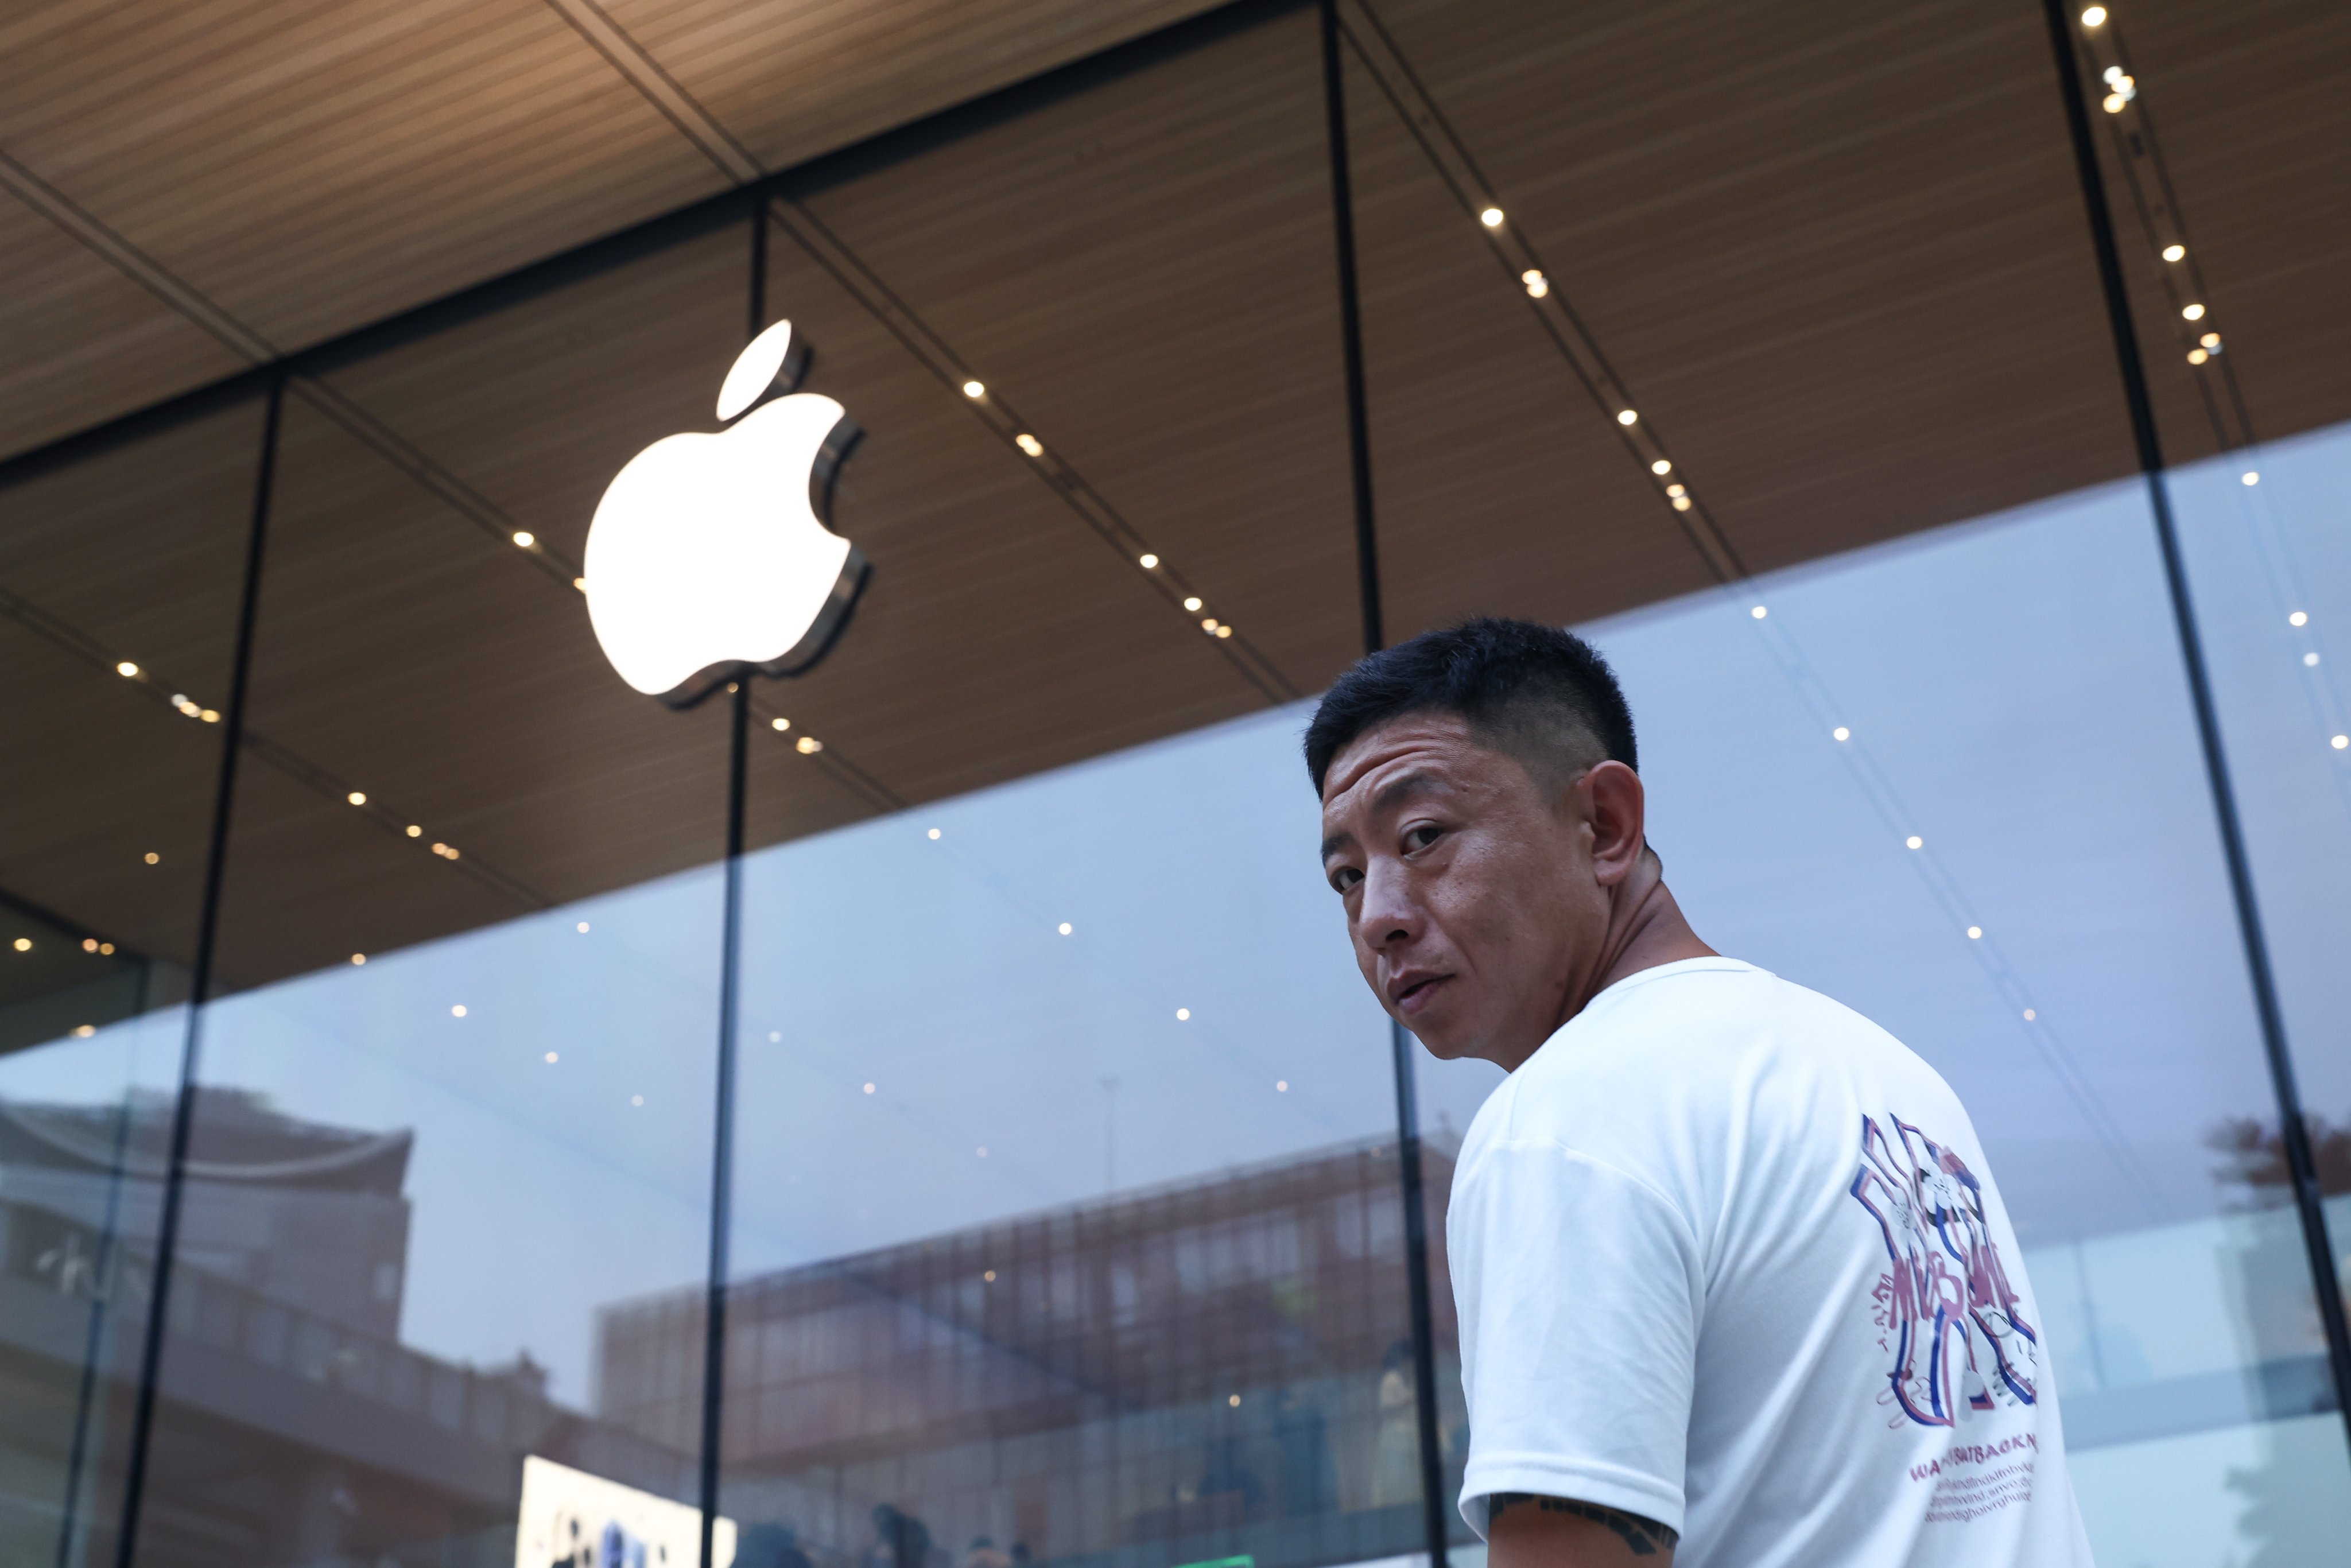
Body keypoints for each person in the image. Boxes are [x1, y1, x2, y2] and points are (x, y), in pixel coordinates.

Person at [1307, 619, 2093, 1567]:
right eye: (1348, 878)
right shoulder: (1885, 1075)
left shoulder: (1564, 1125)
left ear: (1603, 825)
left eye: (1423, 837)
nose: (1379, 917)